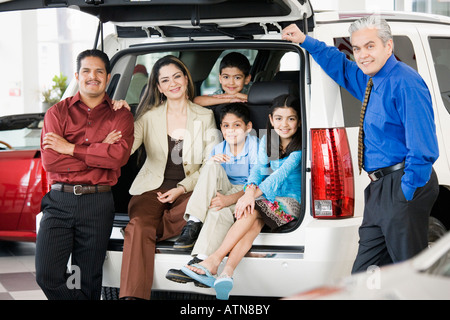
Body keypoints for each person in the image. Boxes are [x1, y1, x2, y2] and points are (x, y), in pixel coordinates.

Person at [282, 16, 439, 273]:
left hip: (402, 185)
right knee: (363, 275)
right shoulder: (371, 80)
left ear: (388, 47)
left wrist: (405, 192)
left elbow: (423, 148)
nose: (362, 55)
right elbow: (341, 67)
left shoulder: (405, 83)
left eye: (370, 46)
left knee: (410, 275)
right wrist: (304, 41)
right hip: (379, 189)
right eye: (356, 48)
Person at [181, 94, 302, 300]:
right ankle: (226, 273)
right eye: (279, 118)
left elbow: (276, 178)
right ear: (271, 120)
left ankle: (213, 260)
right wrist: (248, 192)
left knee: (253, 208)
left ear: (298, 122)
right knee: (253, 222)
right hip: (268, 198)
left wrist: (250, 196)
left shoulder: (298, 149)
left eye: (290, 119)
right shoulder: (268, 140)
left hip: (290, 201)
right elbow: (258, 171)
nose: (284, 124)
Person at [36, 49, 135, 300]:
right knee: (47, 275)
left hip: (97, 202)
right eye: (87, 71)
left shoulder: (120, 114)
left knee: (86, 277)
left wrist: (71, 148)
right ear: (78, 75)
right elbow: (51, 162)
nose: (93, 76)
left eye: (99, 71)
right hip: (60, 201)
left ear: (108, 77)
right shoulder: (57, 113)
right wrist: (100, 150)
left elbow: (119, 158)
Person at [119, 55, 219, 300]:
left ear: (186, 79)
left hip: (191, 190)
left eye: (177, 76)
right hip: (152, 188)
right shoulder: (148, 117)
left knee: (207, 205)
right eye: (165, 80)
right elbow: (125, 149)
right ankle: (132, 297)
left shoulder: (205, 116)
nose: (173, 83)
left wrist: (182, 187)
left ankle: (148, 232)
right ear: (159, 88)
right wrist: (118, 117)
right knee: (140, 224)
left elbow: (211, 164)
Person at [166, 102, 258, 284]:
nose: (231, 130)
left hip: (246, 192)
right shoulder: (220, 148)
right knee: (211, 164)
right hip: (224, 188)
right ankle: (193, 222)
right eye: (226, 126)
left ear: (248, 127)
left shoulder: (256, 146)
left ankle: (200, 261)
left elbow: (256, 184)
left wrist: (228, 199)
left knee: (218, 211)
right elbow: (209, 179)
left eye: (237, 125)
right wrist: (212, 162)